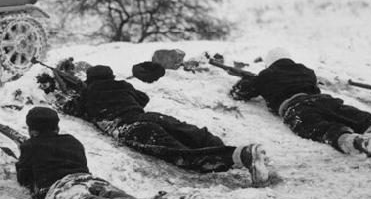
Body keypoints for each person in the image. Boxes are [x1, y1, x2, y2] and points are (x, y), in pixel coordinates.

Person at [16, 106, 217, 199]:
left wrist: (24, 154)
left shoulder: (30, 145)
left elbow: (24, 179)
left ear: (31, 130)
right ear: (57, 126)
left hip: (63, 189)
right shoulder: (72, 140)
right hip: (92, 180)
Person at [64, 64, 272, 186]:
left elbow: (71, 107)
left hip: (130, 127)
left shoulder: (87, 93)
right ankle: (236, 150)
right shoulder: (123, 85)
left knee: (180, 153)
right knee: (192, 134)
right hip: (150, 116)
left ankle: (237, 157)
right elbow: (143, 98)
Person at [229, 48, 371, 159]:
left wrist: (249, 80)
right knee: (355, 115)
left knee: (319, 127)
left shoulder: (266, 75)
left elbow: (239, 93)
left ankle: (354, 142)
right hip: (322, 100)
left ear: (269, 63)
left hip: (295, 107)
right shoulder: (307, 71)